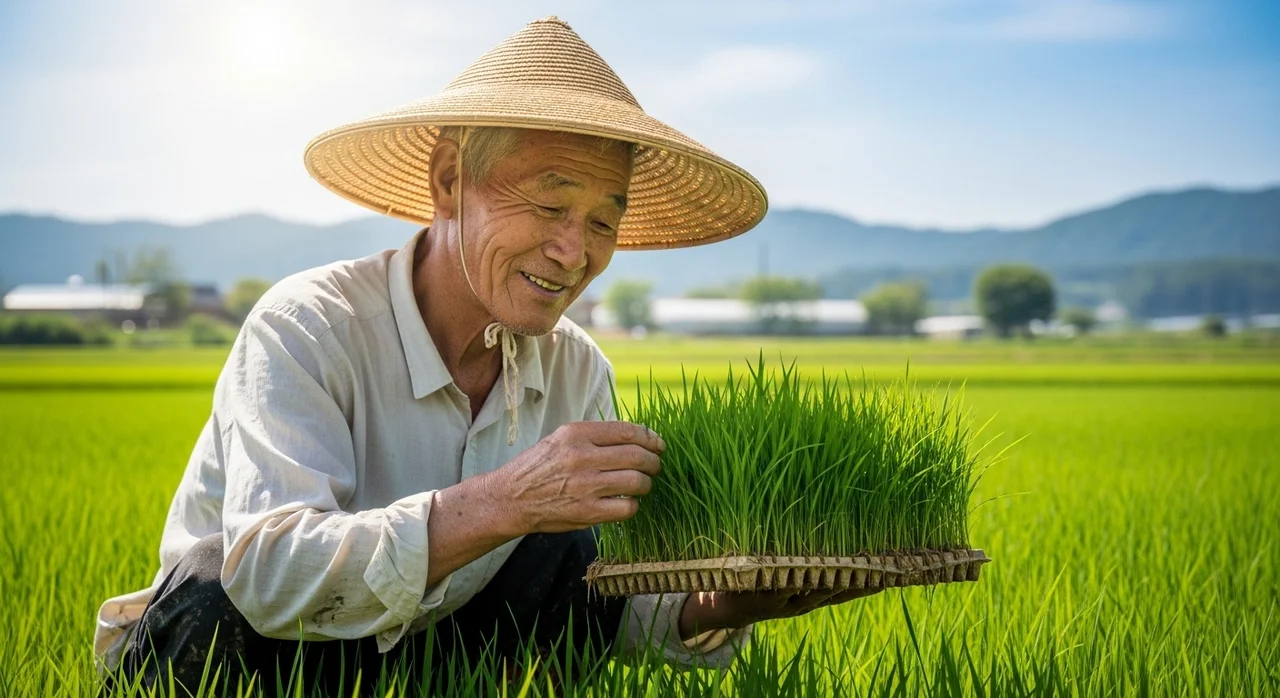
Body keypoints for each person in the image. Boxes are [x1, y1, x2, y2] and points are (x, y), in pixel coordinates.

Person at [94, 16, 879, 694]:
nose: (575, 252)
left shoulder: (576, 370)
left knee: (569, 549)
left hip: (429, 662)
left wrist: (728, 601)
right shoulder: (307, 327)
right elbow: (267, 578)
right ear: (447, 181)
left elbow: (604, 605)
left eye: (604, 222)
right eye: (548, 203)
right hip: (237, 656)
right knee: (214, 572)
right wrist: (506, 502)